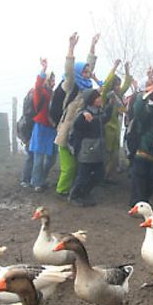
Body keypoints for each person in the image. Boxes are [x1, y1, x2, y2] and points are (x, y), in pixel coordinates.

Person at [54, 33, 99, 195]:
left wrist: (93, 45)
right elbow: (69, 71)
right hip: (66, 132)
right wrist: (71, 47)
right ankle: (61, 191)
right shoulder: (72, 85)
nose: (88, 74)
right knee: (69, 167)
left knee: (79, 164)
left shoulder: (87, 88)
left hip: (80, 132)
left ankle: (73, 190)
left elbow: (90, 65)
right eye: (85, 72)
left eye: (88, 72)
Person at [68, 88, 111, 206]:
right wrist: (82, 114)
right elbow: (76, 128)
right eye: (97, 97)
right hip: (87, 149)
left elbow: (106, 118)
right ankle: (74, 195)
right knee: (83, 175)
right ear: (91, 100)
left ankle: (84, 193)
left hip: (98, 149)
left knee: (99, 175)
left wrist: (111, 105)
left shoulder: (99, 112)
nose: (100, 99)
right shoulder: (84, 113)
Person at [28, 59, 57, 191]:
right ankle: (36, 182)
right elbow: (38, 86)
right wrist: (43, 71)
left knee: (51, 159)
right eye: (51, 80)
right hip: (41, 127)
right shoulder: (40, 93)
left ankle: (42, 179)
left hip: (51, 128)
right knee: (38, 158)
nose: (53, 82)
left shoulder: (53, 93)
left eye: (53, 80)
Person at [102, 60, 133, 181]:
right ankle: (102, 176)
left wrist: (126, 70)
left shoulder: (119, 95)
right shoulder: (106, 96)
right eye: (116, 85)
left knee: (115, 155)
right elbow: (106, 84)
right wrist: (114, 67)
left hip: (116, 128)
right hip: (107, 128)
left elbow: (127, 84)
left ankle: (108, 176)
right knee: (106, 154)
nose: (118, 87)